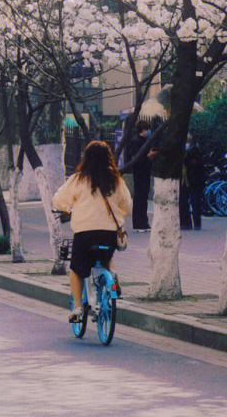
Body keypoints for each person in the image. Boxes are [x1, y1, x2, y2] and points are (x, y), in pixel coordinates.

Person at [53, 140, 132, 322]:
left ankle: (78, 307)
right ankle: (112, 276)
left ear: (86, 158)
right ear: (108, 158)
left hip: (85, 234)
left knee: (77, 268)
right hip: (109, 233)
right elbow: (127, 206)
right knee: (106, 257)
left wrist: (67, 208)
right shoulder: (116, 180)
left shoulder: (79, 179)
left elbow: (59, 200)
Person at [126, 120, 154, 230]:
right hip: (139, 172)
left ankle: (144, 222)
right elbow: (136, 158)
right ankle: (138, 223)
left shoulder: (145, 140)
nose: (149, 131)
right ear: (143, 129)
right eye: (147, 129)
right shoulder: (136, 141)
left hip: (146, 171)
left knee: (144, 198)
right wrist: (148, 156)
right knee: (139, 198)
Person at [181, 138, 205, 231]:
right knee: (183, 200)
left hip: (194, 179)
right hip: (185, 179)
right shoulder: (182, 150)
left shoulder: (195, 150)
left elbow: (195, 164)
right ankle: (186, 223)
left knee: (195, 201)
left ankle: (196, 223)